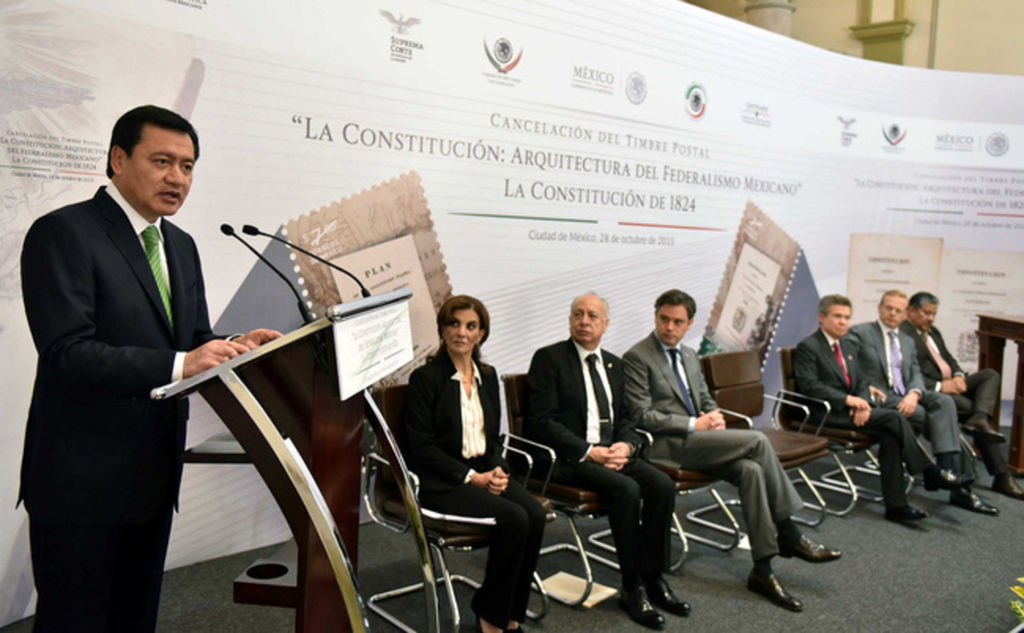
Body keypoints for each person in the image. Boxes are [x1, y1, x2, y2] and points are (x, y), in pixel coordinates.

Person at [19, 105, 281, 632]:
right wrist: (183, 363)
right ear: (118, 160)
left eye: (187, 166)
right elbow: (67, 353)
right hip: (82, 482)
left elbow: (193, 339)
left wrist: (235, 345)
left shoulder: (179, 246)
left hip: (153, 475)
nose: (177, 178)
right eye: (162, 161)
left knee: (135, 619)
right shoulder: (63, 232)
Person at [622, 289, 841, 613]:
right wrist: (696, 424)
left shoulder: (689, 355)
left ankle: (762, 570)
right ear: (656, 317)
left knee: (751, 471)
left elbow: (704, 397)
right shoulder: (637, 357)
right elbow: (642, 415)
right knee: (757, 441)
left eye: (678, 322)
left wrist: (715, 416)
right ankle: (789, 531)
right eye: (664, 319)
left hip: (701, 441)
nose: (669, 327)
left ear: (689, 324)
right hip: (667, 446)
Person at [525, 293, 685, 630]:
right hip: (568, 459)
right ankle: (632, 586)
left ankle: (654, 577)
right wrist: (588, 450)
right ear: (570, 320)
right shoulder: (549, 359)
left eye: (592, 316)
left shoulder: (614, 364)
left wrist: (626, 445)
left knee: (662, 485)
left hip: (610, 453)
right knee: (626, 490)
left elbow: (626, 418)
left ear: (605, 324)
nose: (584, 321)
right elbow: (542, 421)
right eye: (578, 314)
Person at [403, 295, 546, 633]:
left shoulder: (488, 375)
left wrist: (497, 471)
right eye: (454, 324)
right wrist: (471, 477)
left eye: (471, 326)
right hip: (441, 480)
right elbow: (420, 447)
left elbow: (492, 438)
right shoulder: (426, 378)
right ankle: (490, 616)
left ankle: (511, 614)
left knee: (536, 515)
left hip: (483, 470)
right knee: (514, 518)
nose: (461, 332)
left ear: (481, 334)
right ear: (442, 329)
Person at [849, 290, 997, 516]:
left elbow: (915, 374)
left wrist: (914, 393)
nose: (892, 313)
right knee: (937, 420)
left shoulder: (907, 341)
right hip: (882, 395)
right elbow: (848, 367)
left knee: (944, 402)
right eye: (888, 308)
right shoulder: (860, 333)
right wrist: (864, 389)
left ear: (904, 314)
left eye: (898, 310)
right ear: (880, 308)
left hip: (907, 393)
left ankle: (945, 468)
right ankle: (957, 486)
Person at [792, 294, 937, 525]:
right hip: (824, 413)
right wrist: (848, 400)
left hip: (851, 410)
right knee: (892, 418)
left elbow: (862, 380)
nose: (843, 322)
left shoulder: (848, 344)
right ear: (822, 317)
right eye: (837, 316)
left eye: (847, 317)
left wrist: (862, 402)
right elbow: (810, 386)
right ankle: (927, 469)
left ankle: (896, 507)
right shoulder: (809, 347)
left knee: (890, 435)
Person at [902, 291, 1024, 501]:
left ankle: (980, 418)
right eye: (926, 313)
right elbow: (908, 375)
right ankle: (1001, 474)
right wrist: (941, 386)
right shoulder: (903, 335)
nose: (930, 318)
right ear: (911, 311)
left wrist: (958, 375)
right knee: (973, 411)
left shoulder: (933, 332)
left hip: (952, 384)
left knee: (990, 375)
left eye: (934, 314)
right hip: (931, 392)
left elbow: (949, 359)